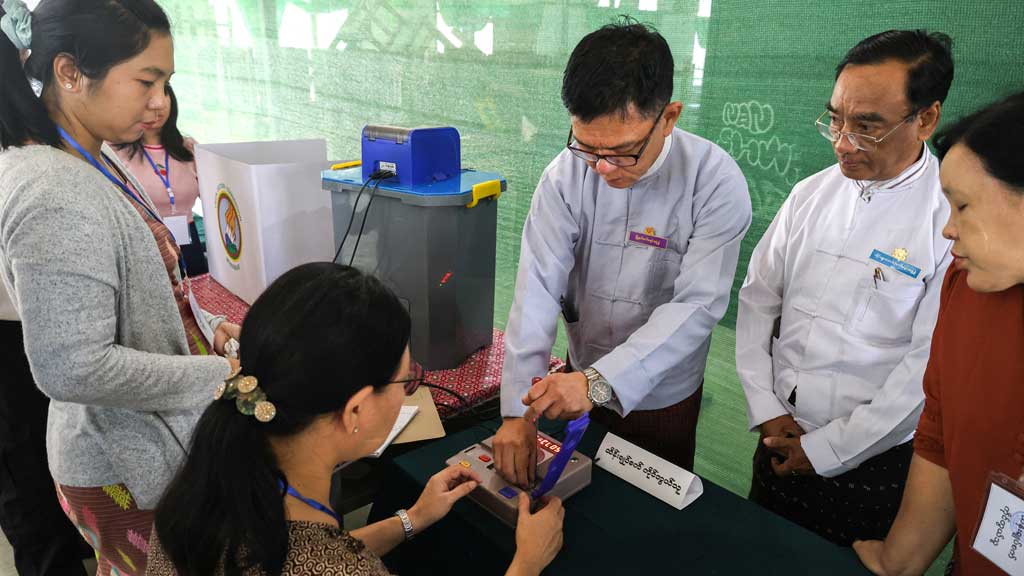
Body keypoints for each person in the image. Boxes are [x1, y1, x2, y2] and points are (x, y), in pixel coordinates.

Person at [0, 0, 240, 572]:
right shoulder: (55, 189)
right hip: (118, 464)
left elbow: (141, 288)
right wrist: (219, 374)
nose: (160, 102)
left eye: (166, 83)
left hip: (125, 444)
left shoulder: (88, 152)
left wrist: (204, 327)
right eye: (145, 81)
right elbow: (71, 367)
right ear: (69, 73)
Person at [145, 263, 564, 576]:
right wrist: (526, 562)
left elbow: (298, 550)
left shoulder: (192, 500)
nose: (407, 390)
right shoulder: (344, 569)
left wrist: (412, 519)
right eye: (405, 379)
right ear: (356, 410)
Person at [494, 19, 751, 487]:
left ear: (669, 117)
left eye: (624, 151)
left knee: (647, 519)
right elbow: (537, 287)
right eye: (588, 148)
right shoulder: (565, 175)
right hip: (575, 373)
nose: (604, 168)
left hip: (662, 393)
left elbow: (696, 306)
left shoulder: (714, 180)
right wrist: (517, 411)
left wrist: (600, 382)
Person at [735, 29, 954, 545]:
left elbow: (925, 370)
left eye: (867, 126)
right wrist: (765, 408)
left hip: (869, 463)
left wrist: (829, 449)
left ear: (926, 119)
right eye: (835, 118)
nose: (842, 142)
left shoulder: (948, 220)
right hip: (778, 435)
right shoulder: (810, 193)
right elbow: (757, 300)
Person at [852, 92, 1024, 576]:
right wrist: (898, 559)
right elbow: (938, 434)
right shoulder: (969, 288)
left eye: (964, 206)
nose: (949, 231)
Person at [0, 279, 91, 574]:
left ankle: (84, 540)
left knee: (74, 443)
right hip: (10, 325)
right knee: (25, 475)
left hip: (53, 307)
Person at [114, 84, 208, 275]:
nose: (153, 112)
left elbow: (214, 200)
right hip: (145, 246)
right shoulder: (116, 153)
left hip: (189, 244)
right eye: (145, 105)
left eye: (159, 104)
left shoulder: (189, 149)